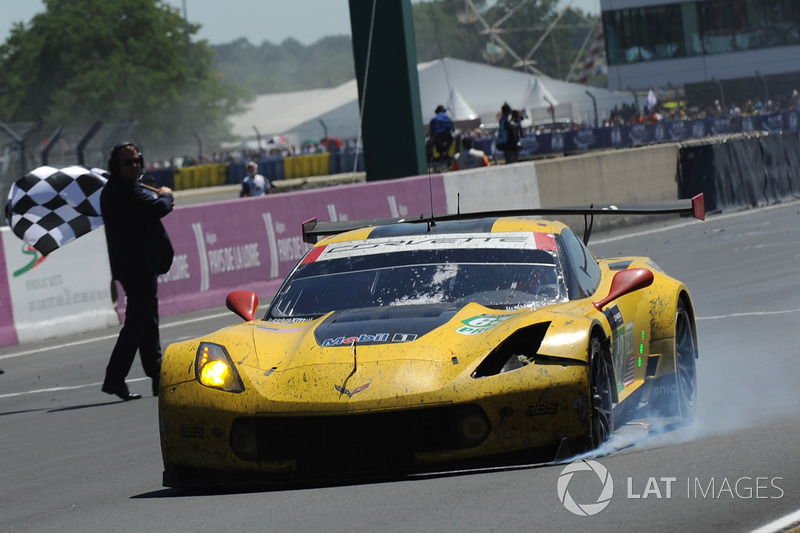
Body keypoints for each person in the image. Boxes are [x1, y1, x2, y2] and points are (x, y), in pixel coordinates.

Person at [100, 142, 175, 401]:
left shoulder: (123, 189)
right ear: (116, 167)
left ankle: (156, 375)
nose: (134, 165)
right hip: (137, 266)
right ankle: (115, 377)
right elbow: (159, 208)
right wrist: (166, 194)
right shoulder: (125, 191)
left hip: (137, 265)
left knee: (147, 321)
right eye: (127, 162)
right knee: (137, 323)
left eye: (136, 160)